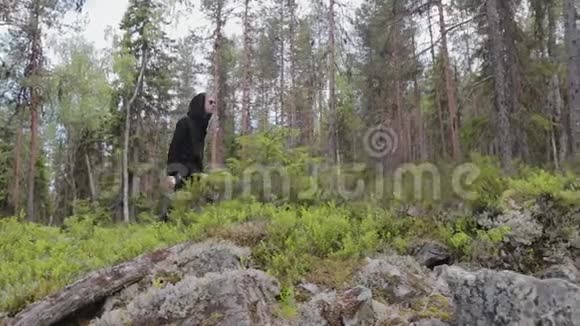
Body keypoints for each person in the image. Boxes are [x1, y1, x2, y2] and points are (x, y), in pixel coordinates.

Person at [160, 92, 216, 220]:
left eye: (214, 102)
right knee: (177, 202)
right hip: (181, 170)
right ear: (200, 103)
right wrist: (171, 174)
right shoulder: (184, 122)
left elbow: (198, 154)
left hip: (195, 171)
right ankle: (162, 229)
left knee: (197, 199)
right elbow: (174, 148)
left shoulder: (202, 128)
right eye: (210, 102)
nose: (214, 105)